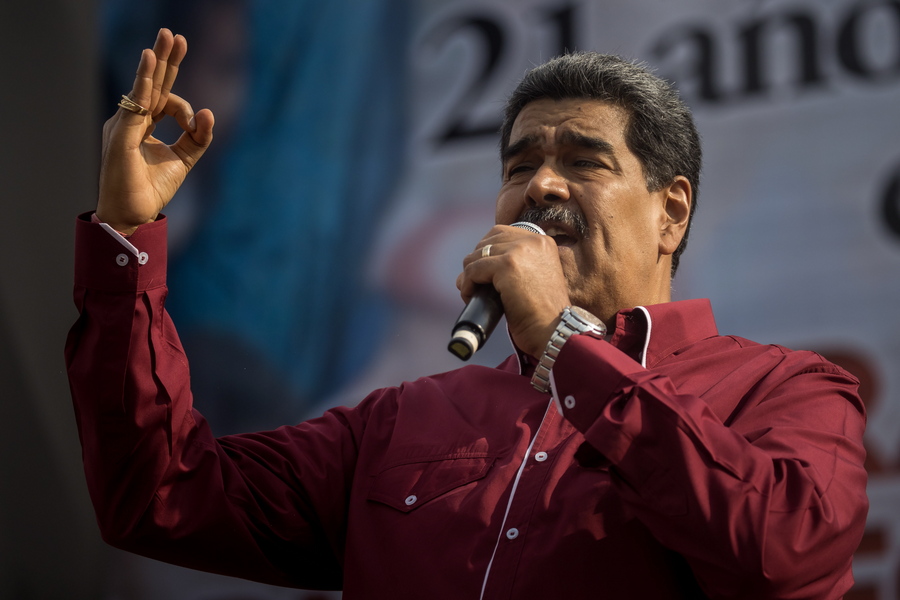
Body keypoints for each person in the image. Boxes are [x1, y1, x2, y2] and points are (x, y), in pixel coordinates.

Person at [67, 28, 868, 599]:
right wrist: (127, 236)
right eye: (521, 166)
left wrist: (566, 346)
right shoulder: (401, 421)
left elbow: (784, 553)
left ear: (672, 212)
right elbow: (160, 494)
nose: (541, 186)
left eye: (583, 161)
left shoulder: (785, 391)